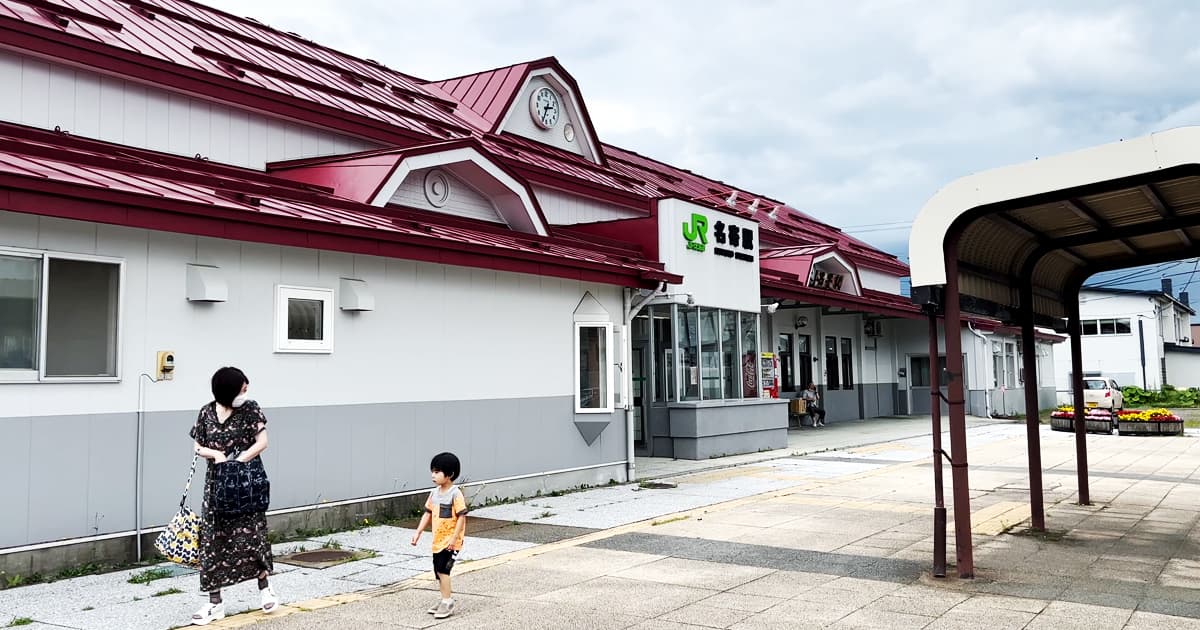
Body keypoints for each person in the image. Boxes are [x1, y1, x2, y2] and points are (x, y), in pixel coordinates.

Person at [189, 367, 278, 626]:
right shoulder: (206, 412)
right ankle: (214, 603)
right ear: (228, 390)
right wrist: (215, 456)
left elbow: (262, 442)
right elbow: (197, 445)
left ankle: (265, 589)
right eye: (242, 387)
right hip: (216, 487)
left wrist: (237, 461)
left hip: (247, 483)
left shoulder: (250, 409)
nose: (246, 390)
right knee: (212, 541)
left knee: (253, 534)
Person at [410, 452, 469, 620]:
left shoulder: (455, 494)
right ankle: (444, 598)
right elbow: (427, 513)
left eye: (437, 472)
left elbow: (461, 518)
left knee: (444, 570)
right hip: (438, 540)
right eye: (432, 471)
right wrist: (418, 532)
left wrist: (453, 538)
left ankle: (447, 602)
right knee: (438, 571)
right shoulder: (434, 493)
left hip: (451, 542)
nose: (433, 475)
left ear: (449, 474)